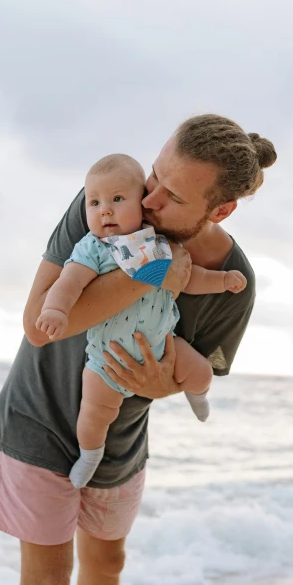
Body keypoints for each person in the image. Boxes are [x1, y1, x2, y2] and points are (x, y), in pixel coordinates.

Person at [0, 113, 277, 585]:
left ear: (220, 211)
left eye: (172, 195)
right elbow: (40, 324)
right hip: (38, 417)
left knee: (108, 562)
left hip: (120, 433)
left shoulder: (234, 279)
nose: (151, 198)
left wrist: (167, 386)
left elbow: (194, 371)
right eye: (155, 176)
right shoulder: (106, 200)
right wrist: (152, 273)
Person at [35, 152, 248, 488]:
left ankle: (197, 395)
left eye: (118, 200)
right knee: (93, 416)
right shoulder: (92, 248)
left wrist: (221, 281)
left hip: (163, 343)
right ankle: (89, 455)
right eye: (94, 203)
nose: (104, 209)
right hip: (106, 357)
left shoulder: (159, 242)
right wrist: (55, 311)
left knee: (201, 371)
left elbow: (187, 279)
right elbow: (69, 283)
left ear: (141, 203)